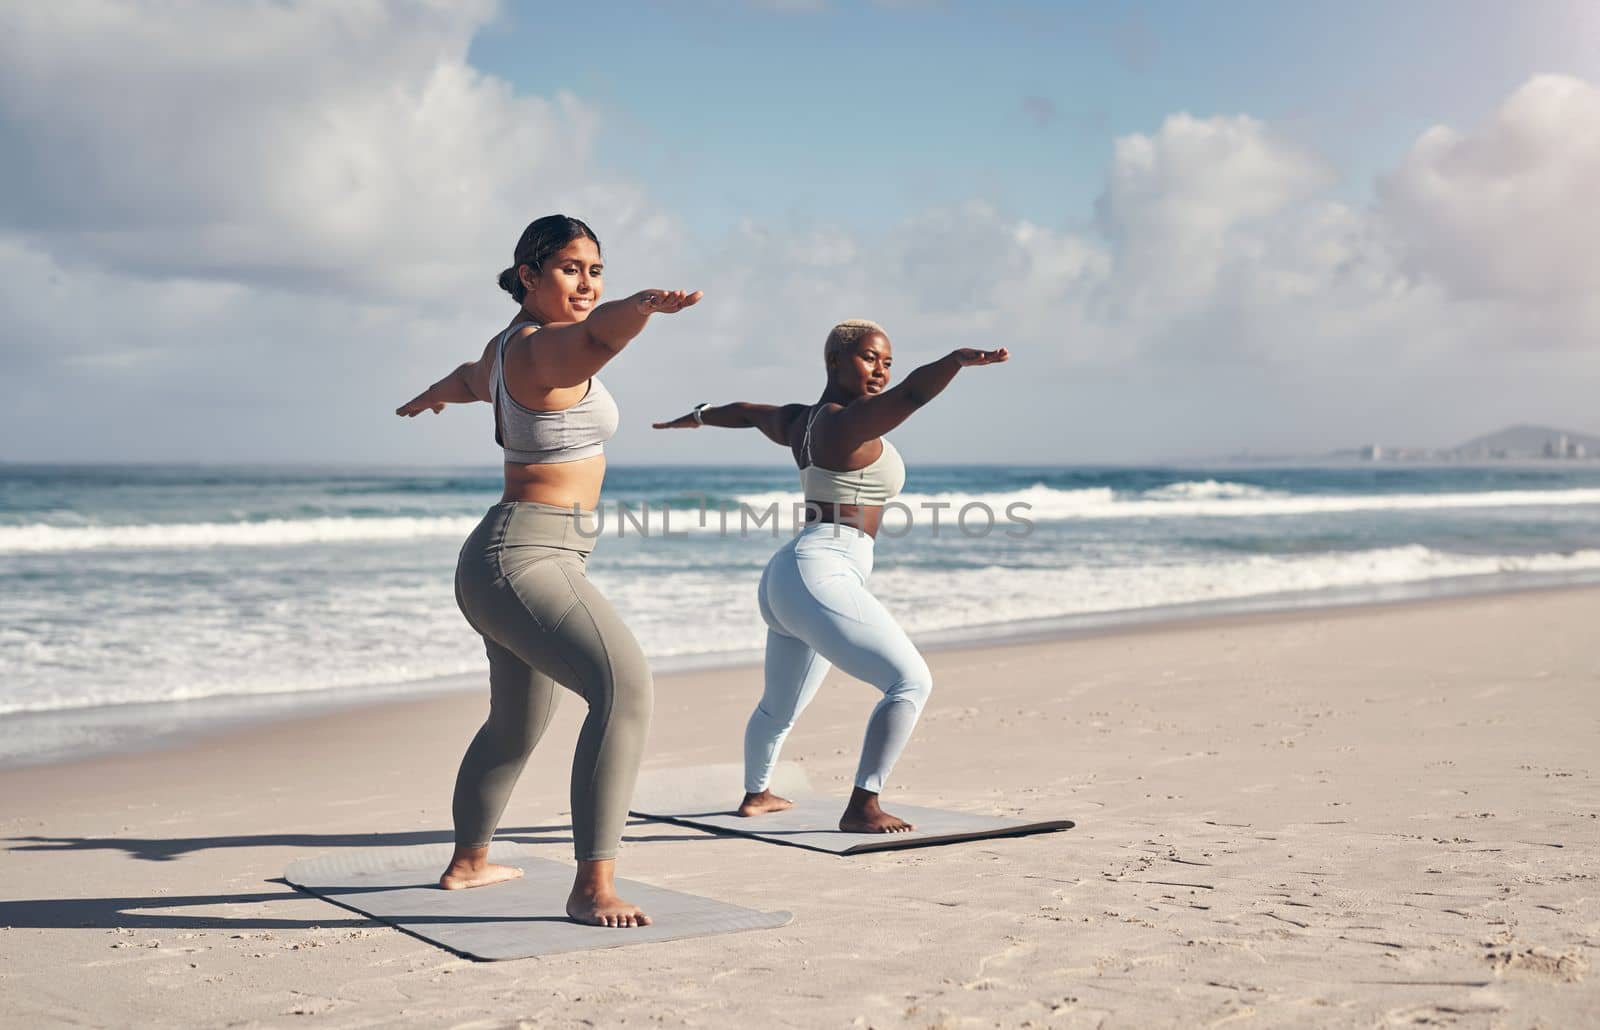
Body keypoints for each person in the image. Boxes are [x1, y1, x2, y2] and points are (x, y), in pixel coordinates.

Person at [397, 214, 700, 926]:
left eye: (597, 271)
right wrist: (644, 307)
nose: (587, 283)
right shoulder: (549, 350)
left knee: (515, 724)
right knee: (624, 690)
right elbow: (600, 337)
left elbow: (471, 379)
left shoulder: (504, 349)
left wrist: (432, 394)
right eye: (570, 268)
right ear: (529, 276)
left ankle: (469, 862)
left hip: (501, 561)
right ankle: (592, 886)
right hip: (527, 557)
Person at [653, 320, 1008, 832]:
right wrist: (954, 360)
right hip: (821, 569)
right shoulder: (848, 422)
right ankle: (864, 804)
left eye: (887, 362)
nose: (881, 371)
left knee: (779, 706)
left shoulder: (801, 421)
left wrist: (699, 417)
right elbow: (913, 394)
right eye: (869, 358)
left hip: (791, 575)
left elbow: (752, 414)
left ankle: (757, 795)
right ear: (835, 362)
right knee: (909, 683)